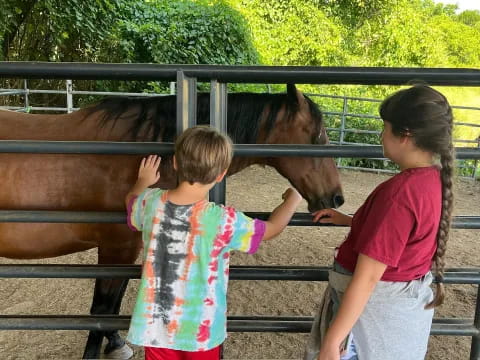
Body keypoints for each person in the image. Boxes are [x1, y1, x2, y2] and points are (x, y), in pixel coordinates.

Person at [125, 126, 303, 360]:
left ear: (176, 162)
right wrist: (294, 198)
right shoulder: (223, 220)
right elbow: (270, 230)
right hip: (202, 329)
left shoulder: (152, 203)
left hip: (156, 324)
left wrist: (143, 181)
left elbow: (131, 203)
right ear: (221, 174)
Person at [304, 85, 455, 360]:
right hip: (399, 316)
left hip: (369, 321)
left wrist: (333, 340)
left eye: (385, 128)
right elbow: (402, 237)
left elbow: (368, 277)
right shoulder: (434, 180)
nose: (381, 135)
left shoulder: (399, 194)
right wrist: (354, 222)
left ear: (405, 136)